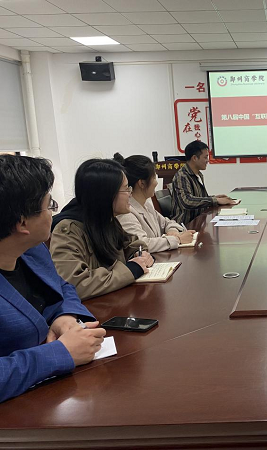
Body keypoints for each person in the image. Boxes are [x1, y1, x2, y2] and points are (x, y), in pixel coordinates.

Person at [0, 155, 106, 403]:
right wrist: (59, 353)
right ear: (22, 222)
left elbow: (62, 286)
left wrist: (64, 316)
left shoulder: (32, 249)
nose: (53, 213)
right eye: (50, 205)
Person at [50, 159, 154, 300]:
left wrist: (140, 254)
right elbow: (76, 284)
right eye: (126, 189)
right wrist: (130, 270)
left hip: (116, 301)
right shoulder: (68, 231)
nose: (130, 194)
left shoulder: (107, 220)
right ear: (106, 195)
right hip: (93, 309)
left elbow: (130, 243)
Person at [114, 153, 196, 253]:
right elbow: (141, 244)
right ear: (142, 183)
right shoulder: (126, 212)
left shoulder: (146, 205)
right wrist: (177, 239)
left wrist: (172, 231)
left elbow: (167, 222)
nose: (156, 183)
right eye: (154, 178)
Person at [171, 140, 236, 224]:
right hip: (186, 224)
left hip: (200, 221)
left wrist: (216, 198)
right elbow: (187, 201)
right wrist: (215, 200)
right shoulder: (182, 176)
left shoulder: (199, 174)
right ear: (194, 158)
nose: (207, 160)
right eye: (205, 157)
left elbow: (199, 198)